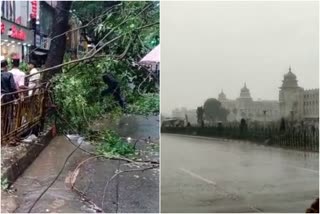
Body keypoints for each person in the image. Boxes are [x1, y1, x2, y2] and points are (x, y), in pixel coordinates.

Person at [1, 59, 17, 139]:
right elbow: (13, 87)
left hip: (1, 97)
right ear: (6, 66)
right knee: (8, 115)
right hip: (7, 97)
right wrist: (16, 97)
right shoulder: (9, 74)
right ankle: (6, 133)